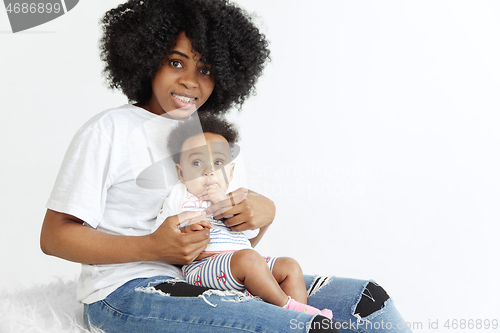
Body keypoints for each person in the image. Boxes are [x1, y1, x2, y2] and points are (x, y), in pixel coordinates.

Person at [40, 0, 412, 332]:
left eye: (206, 68)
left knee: (369, 305)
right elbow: (54, 236)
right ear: (146, 58)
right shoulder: (110, 130)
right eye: (175, 62)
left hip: (215, 277)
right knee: (300, 326)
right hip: (122, 294)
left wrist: (262, 218)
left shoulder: (213, 140)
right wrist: (153, 246)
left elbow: (230, 243)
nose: (190, 80)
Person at [152, 113, 333, 319]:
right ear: (181, 173)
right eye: (196, 164)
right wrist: (187, 229)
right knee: (249, 259)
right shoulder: (180, 196)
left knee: (289, 266)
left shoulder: (233, 198)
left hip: (243, 264)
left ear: (230, 173)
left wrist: (224, 205)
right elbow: (162, 234)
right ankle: (290, 311)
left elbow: (252, 230)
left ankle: (297, 324)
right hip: (203, 267)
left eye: (218, 163)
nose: (208, 172)